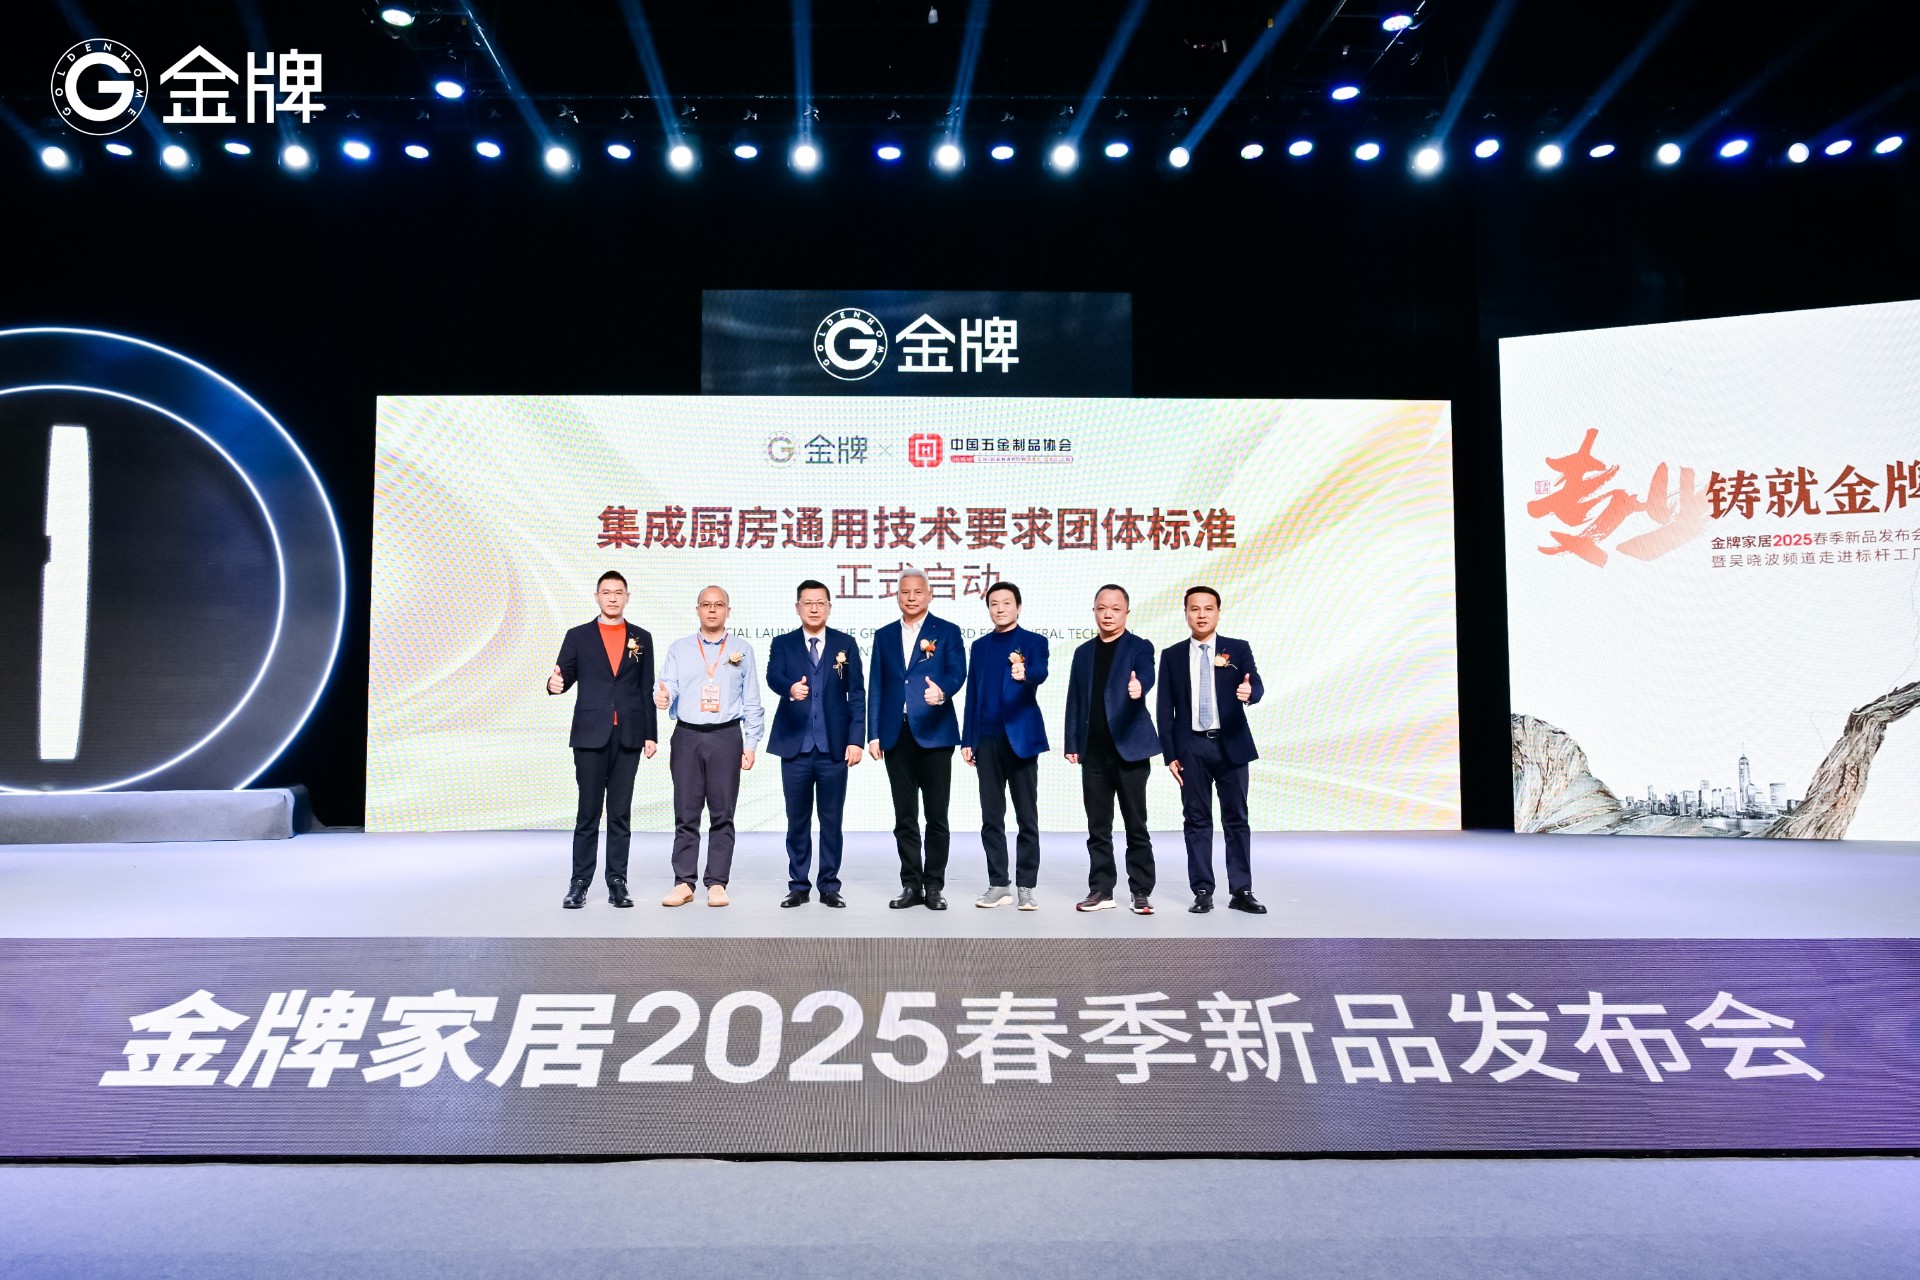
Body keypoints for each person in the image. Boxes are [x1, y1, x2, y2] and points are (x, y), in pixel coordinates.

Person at [546, 570, 657, 909]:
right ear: (596, 596)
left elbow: (646, 688)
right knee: (588, 812)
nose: (612, 598)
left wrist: (650, 734)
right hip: (590, 735)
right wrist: (553, 685)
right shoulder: (578, 636)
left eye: (618, 592)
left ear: (627, 597)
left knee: (620, 814)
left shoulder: (641, 637)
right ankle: (579, 883)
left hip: (628, 735)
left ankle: (617, 882)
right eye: (606, 592)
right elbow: (563, 676)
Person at [1156, 585, 1267, 915]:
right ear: (1185, 613)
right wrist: (1170, 755)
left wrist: (1250, 693)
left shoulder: (1237, 649)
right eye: (1194, 609)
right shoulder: (1172, 655)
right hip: (1191, 747)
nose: (1201, 615)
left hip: (1231, 745)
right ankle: (1203, 889)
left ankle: (1242, 890)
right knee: (1196, 819)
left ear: (1218, 612)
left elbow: (1255, 684)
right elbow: (1164, 709)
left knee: (1236, 819)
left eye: (1208, 608)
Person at [654, 585, 763, 907]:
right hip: (687, 736)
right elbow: (668, 685)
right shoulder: (680, 648)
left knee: (722, 813)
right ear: (698, 610)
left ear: (728, 611)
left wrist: (751, 743)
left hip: (726, 736)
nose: (712, 610)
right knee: (686, 813)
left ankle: (717, 883)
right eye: (706, 604)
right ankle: (683, 882)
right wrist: (663, 695)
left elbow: (752, 700)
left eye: (718, 605)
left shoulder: (742, 649)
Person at [867, 567, 967, 910]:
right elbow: (877, 686)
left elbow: (957, 672)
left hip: (936, 734)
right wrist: (874, 734)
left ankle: (934, 885)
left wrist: (943, 692)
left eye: (917, 592)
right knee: (905, 816)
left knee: (937, 816)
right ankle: (911, 884)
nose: (911, 598)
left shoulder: (947, 631)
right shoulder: (883, 636)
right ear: (897, 596)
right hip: (896, 735)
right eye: (905, 592)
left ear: (929, 595)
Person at [764, 580, 866, 908]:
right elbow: (773, 675)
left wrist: (856, 740)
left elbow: (857, 694)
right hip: (795, 747)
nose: (814, 608)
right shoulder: (783, 643)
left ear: (829, 607)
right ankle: (798, 885)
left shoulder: (845, 644)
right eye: (807, 603)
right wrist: (790, 688)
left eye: (820, 602)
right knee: (797, 820)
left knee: (831, 821)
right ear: (797, 607)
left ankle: (829, 885)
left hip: (834, 748)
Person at [1063, 584, 1159, 915]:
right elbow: (1075, 699)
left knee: (1136, 825)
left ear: (1126, 613)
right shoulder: (1083, 653)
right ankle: (1102, 889)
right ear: (1094, 611)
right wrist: (1072, 742)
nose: (1108, 614)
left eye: (1115, 609)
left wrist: (1140, 686)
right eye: (1102, 608)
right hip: (1093, 753)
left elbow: (1146, 673)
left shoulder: (1139, 646)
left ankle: (1141, 890)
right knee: (1098, 827)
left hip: (1130, 750)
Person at [961, 581, 1049, 910]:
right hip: (986, 739)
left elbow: (1041, 672)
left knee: (1027, 816)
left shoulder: (1034, 642)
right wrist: (968, 739)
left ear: (1018, 607)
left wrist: (1025, 672)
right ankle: (999, 884)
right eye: (994, 604)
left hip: (1021, 739)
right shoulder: (980, 646)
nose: (1000, 609)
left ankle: (1026, 886)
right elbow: (972, 694)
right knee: (991, 817)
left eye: (1006, 603)